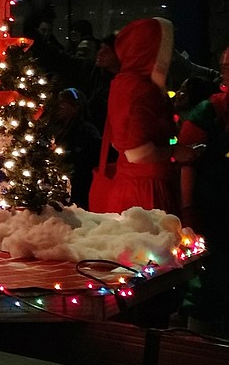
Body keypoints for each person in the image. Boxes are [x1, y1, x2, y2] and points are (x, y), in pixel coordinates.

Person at [91, 17, 180, 216]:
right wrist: (175, 152)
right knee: (151, 245)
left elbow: (120, 142)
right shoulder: (141, 88)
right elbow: (137, 152)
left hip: (131, 188)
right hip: (145, 194)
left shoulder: (124, 83)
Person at [174, 45, 228, 336]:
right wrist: (188, 212)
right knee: (210, 279)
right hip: (216, 207)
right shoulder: (210, 110)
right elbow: (186, 162)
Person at [49, 87, 101, 208]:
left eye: (63, 104)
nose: (59, 108)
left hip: (80, 184)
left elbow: (86, 158)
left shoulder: (86, 129)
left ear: (75, 108)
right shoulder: (60, 129)